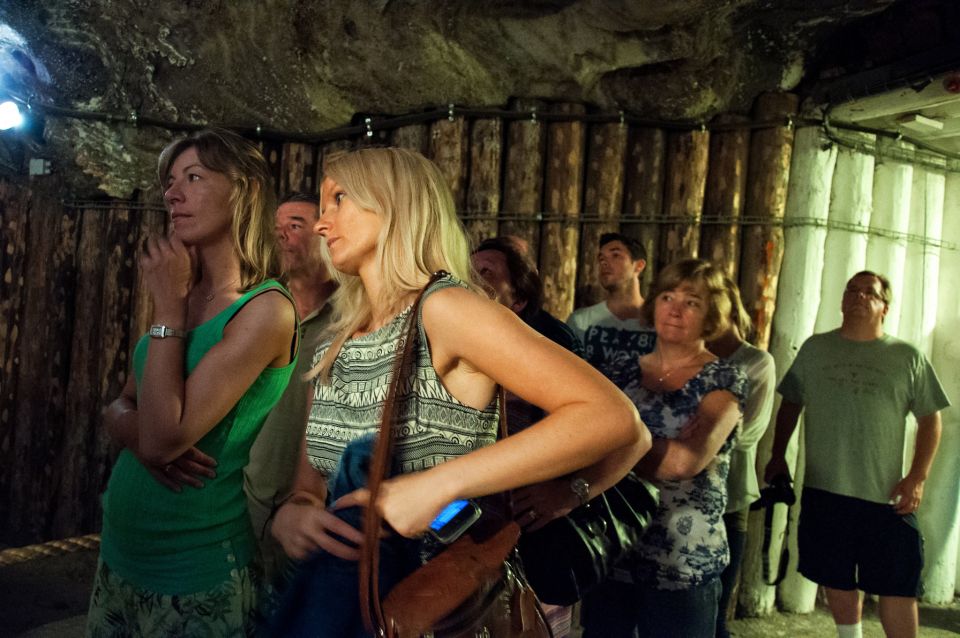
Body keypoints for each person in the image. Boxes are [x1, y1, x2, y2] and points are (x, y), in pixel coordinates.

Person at [270, 147, 650, 637]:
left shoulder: (445, 308)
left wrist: (439, 483)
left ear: (396, 205)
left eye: (339, 199)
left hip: (437, 608)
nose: (322, 225)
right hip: (347, 605)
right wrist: (294, 514)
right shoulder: (338, 337)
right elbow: (309, 484)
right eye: (322, 207)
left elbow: (612, 418)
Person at [87, 128, 298, 637]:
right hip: (121, 554)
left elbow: (162, 436)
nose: (171, 193)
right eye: (170, 181)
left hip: (194, 568)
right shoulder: (187, 290)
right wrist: (122, 422)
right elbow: (122, 404)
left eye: (194, 177)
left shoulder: (265, 310)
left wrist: (166, 306)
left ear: (244, 190)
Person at [765, 271, 950, 638]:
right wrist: (777, 455)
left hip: (886, 495)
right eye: (852, 289)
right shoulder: (816, 348)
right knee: (835, 573)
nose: (859, 296)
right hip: (826, 487)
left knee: (898, 582)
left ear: (885, 307)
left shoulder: (906, 357)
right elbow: (791, 403)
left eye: (870, 292)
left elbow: (931, 420)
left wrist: (917, 477)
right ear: (841, 300)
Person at [581, 258, 747, 638]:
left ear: (712, 315)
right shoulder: (617, 369)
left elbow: (682, 462)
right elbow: (581, 445)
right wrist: (654, 444)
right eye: (667, 296)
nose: (674, 308)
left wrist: (616, 442)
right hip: (612, 547)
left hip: (683, 560)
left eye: (692, 301)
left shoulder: (725, 376)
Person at [471, 236, 584, 637]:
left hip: (536, 534)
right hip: (471, 535)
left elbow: (616, 432)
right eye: (469, 271)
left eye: (486, 273)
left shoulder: (554, 343)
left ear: (518, 298)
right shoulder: (453, 343)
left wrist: (570, 492)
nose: (473, 280)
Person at [244, 192, 337, 591]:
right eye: (276, 228)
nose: (280, 236)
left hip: (311, 517)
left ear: (325, 236)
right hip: (241, 502)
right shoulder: (255, 308)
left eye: (295, 226)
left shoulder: (354, 321)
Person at [707, 277, 776, 638]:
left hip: (732, 494)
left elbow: (749, 432)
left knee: (717, 609)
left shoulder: (756, 362)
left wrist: (697, 442)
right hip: (675, 496)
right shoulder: (686, 357)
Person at [567, 232, 655, 385]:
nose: (605, 263)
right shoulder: (580, 321)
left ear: (639, 265)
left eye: (616, 256)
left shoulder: (659, 322)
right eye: (601, 258)